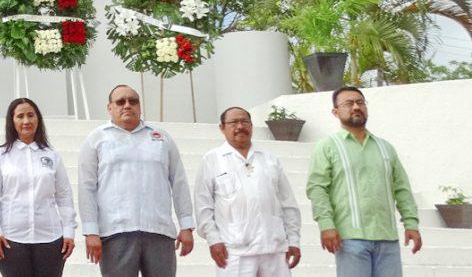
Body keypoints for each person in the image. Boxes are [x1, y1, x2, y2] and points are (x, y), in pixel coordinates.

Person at [78, 84, 195, 276]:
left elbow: (179, 182)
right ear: (110, 108)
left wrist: (186, 225)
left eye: (133, 101)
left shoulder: (161, 138)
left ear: (140, 106)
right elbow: (86, 187)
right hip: (115, 232)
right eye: (120, 102)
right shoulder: (96, 139)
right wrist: (91, 231)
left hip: (159, 230)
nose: (127, 105)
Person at [306, 86, 422, 276]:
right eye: (349, 103)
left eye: (360, 102)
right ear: (335, 112)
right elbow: (317, 188)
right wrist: (326, 225)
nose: (356, 107)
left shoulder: (385, 148)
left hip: (387, 238)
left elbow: (401, 188)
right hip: (350, 239)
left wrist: (411, 224)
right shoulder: (327, 147)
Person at [194, 107, 301, 276]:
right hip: (234, 251)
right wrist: (213, 240)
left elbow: (288, 204)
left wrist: (294, 240)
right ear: (222, 128)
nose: (240, 126)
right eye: (233, 122)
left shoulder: (269, 159)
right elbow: (203, 206)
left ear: (251, 126)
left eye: (244, 122)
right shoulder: (212, 159)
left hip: (274, 248)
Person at [0, 98, 76, 277]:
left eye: (30, 115)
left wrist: (69, 231)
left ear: (38, 119)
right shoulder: (0, 156)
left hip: (50, 238)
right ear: (12, 121)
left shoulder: (52, 156)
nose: (26, 121)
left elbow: (64, 195)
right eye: (20, 116)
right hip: (11, 239)